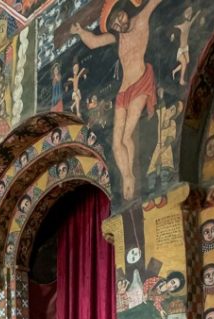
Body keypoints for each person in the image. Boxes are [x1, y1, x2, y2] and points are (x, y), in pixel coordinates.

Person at [71, 0, 163, 200]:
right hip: (123, 90)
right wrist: (80, 32)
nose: (119, 24)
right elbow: (94, 42)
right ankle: (127, 177)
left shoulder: (141, 19)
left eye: (118, 17)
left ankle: (132, 180)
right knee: (115, 143)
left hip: (141, 82)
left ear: (124, 10)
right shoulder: (118, 37)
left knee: (127, 135)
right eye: (114, 24)